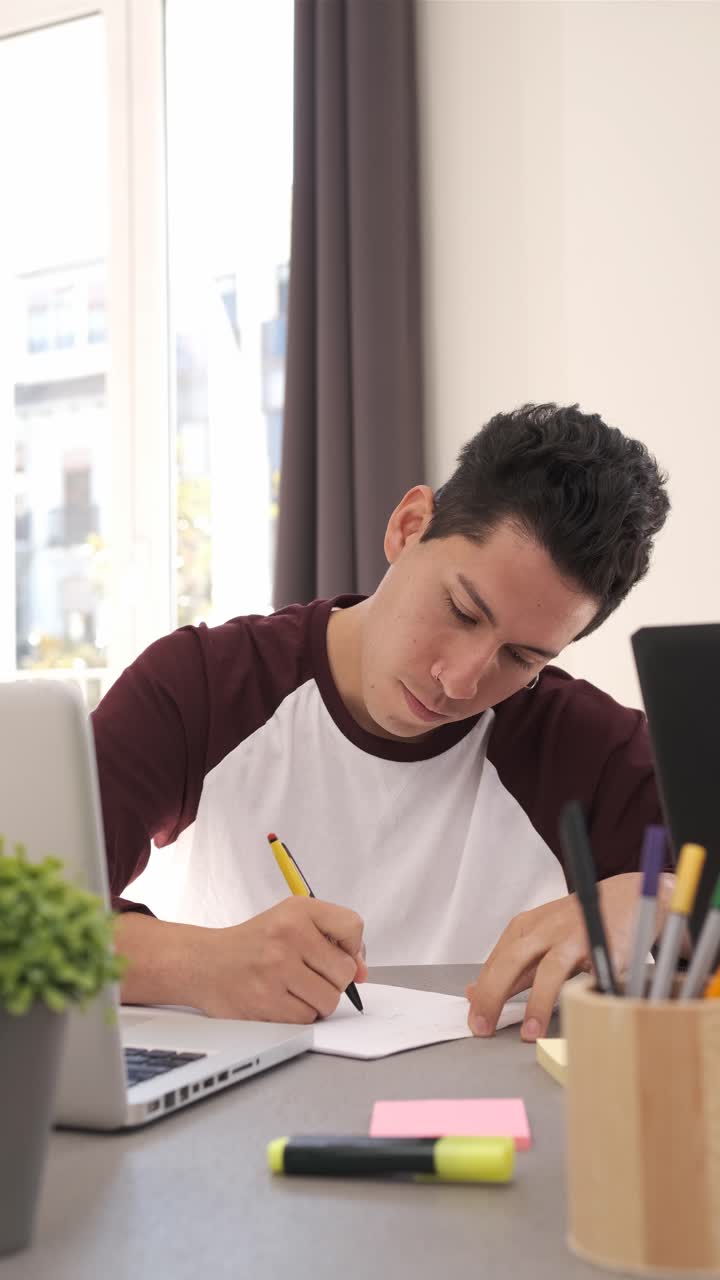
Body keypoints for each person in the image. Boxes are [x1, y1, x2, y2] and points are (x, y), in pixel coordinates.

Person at [94, 402, 673, 1042]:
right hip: (233, 1120)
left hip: (490, 1125)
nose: (460, 680)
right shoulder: (203, 684)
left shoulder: (591, 748)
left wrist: (658, 902)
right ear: (408, 526)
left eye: (522, 657)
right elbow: (20, 912)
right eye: (460, 609)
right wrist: (195, 964)